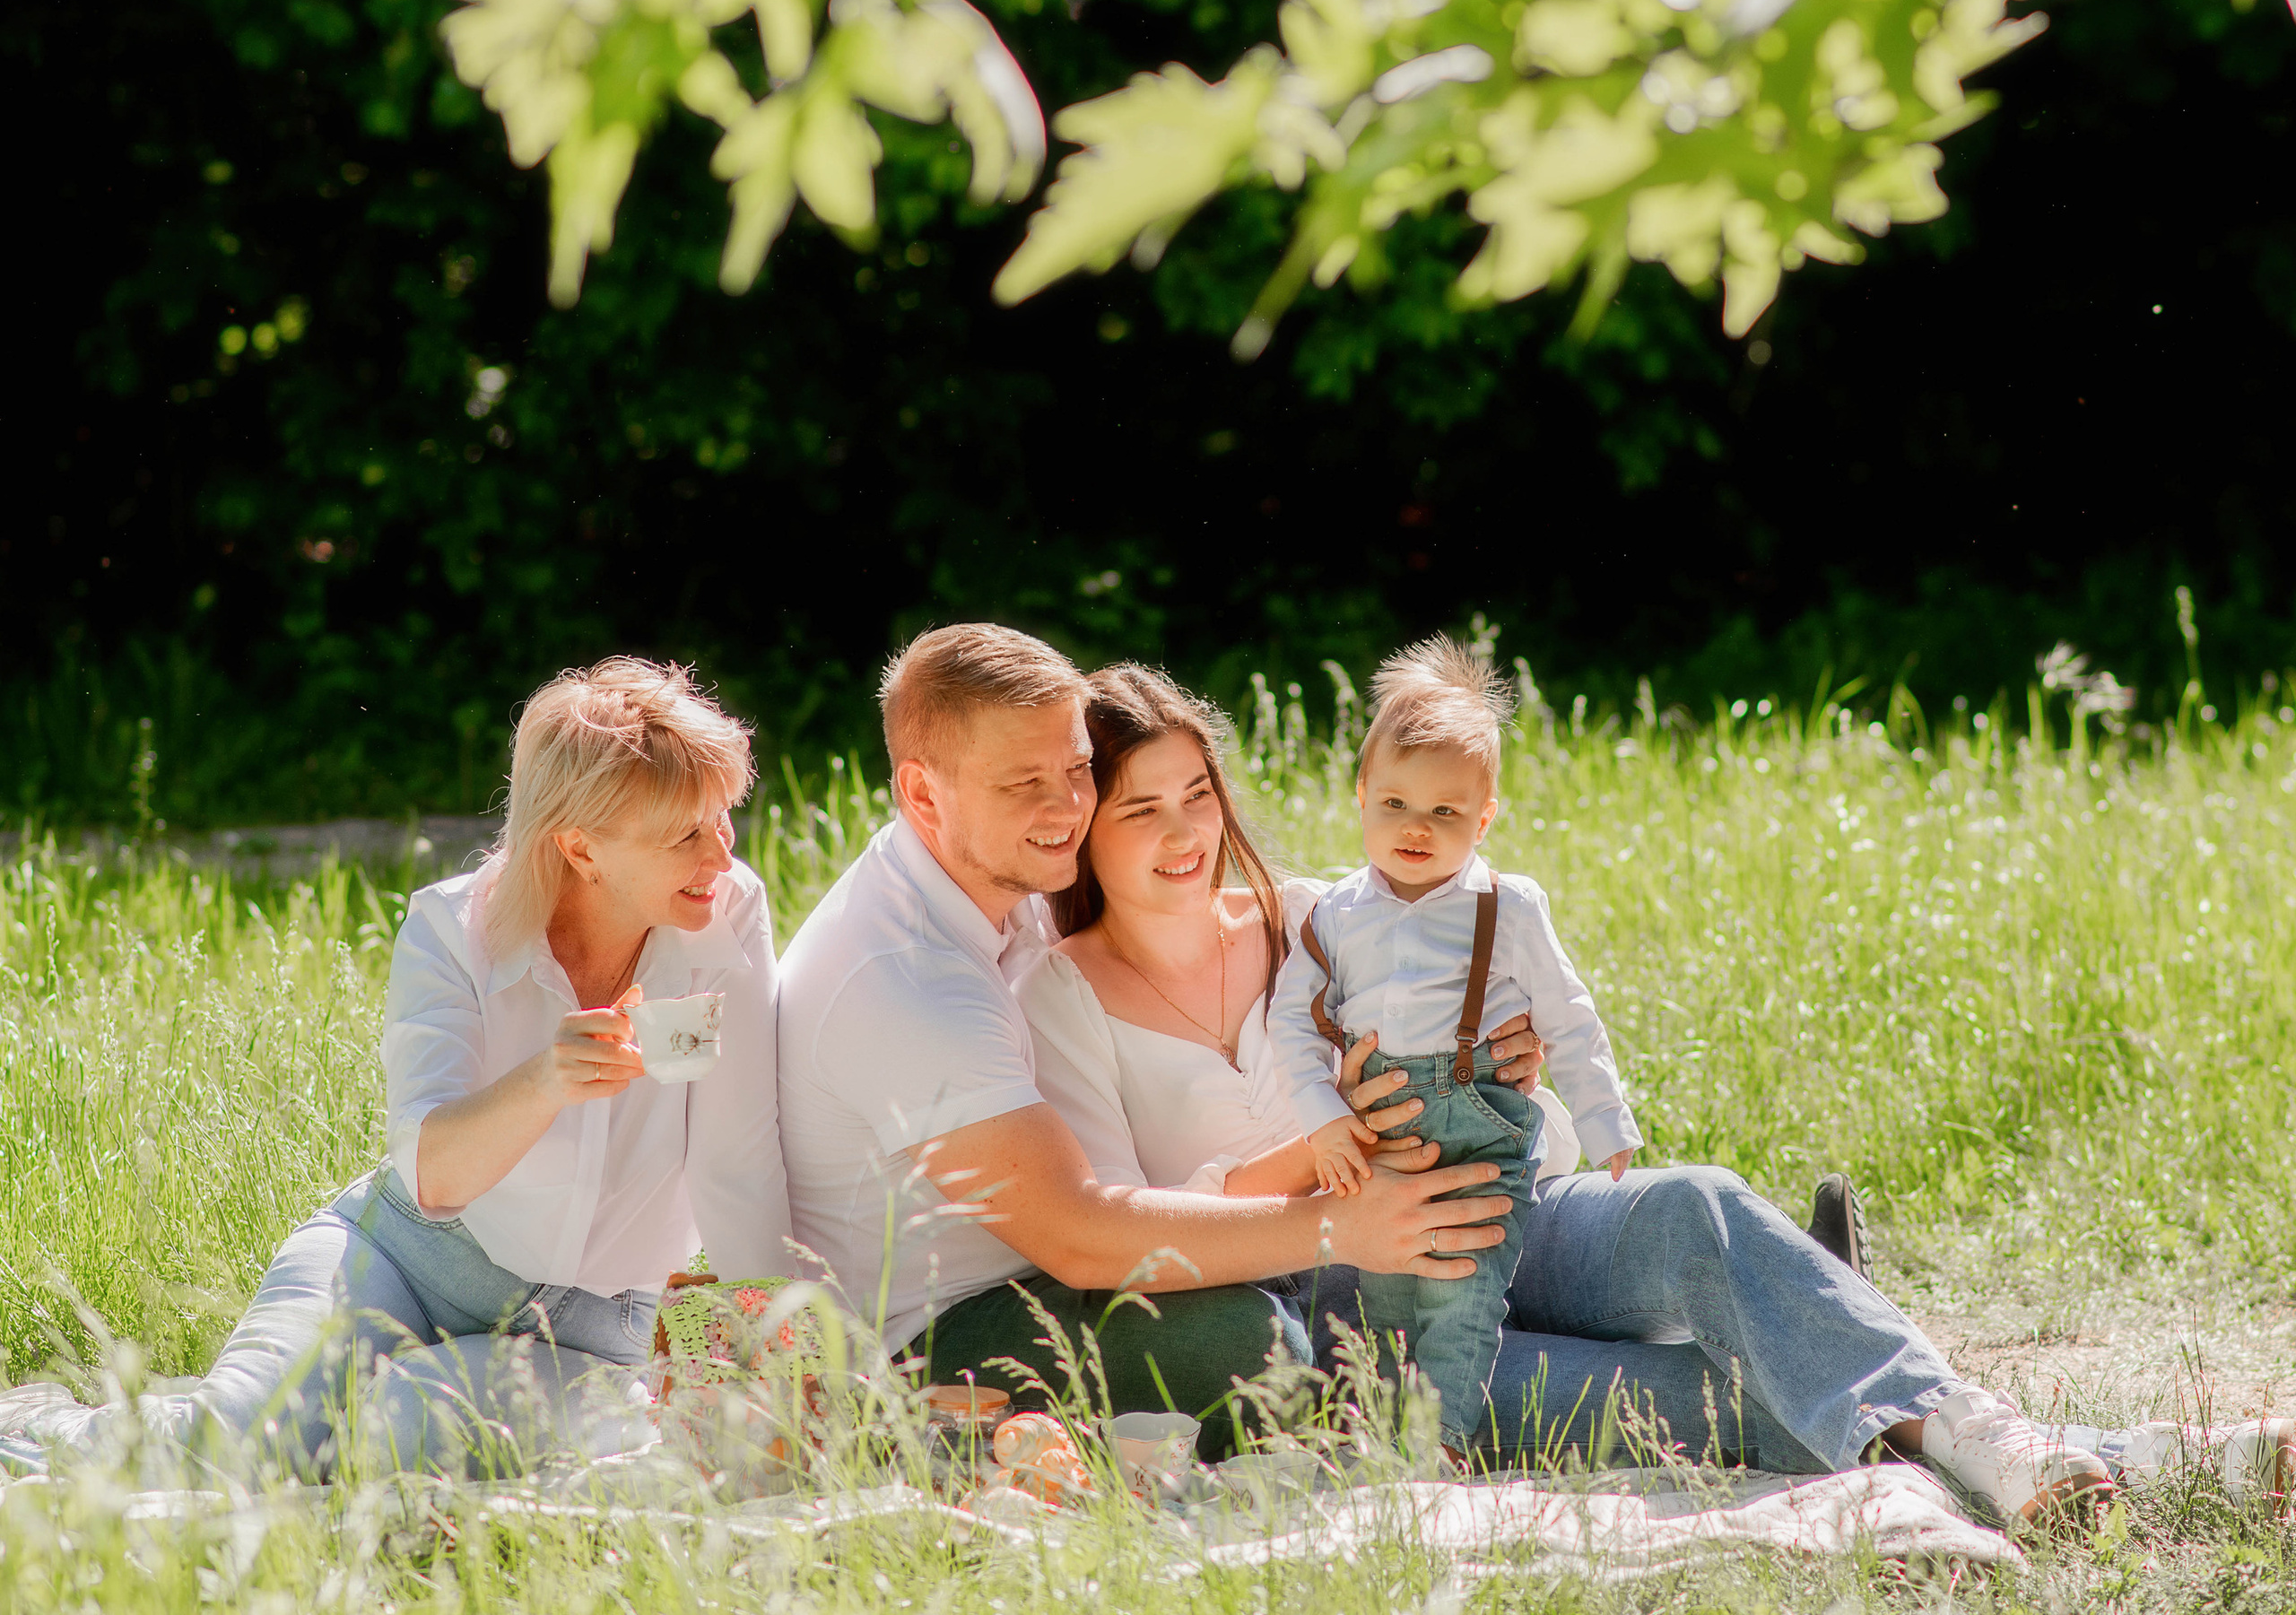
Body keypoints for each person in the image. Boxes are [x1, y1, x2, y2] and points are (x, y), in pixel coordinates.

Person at [1021, 657, 2123, 1530]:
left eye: (1196, 794)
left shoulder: (1318, 913)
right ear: (1082, 829)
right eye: (1138, 810)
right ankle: (1826, 1318)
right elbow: (1124, 1231)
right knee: (1691, 1400)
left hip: (1507, 1200)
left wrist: (1508, 1059)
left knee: (1697, 1202)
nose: (1182, 833)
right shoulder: (1059, 998)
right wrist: (1327, 1175)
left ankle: (1977, 1425)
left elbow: (1493, 1013)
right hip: (1352, 1302)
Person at [1, 658, 789, 1482]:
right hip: (408, 1259)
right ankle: (33, 1427)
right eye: (685, 835)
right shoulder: (454, 930)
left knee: (398, 1444)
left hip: (596, 1325)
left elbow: (737, 1157)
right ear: (580, 847)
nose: (720, 852)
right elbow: (432, 1176)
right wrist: (545, 1082)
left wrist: (782, 1347)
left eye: (721, 818)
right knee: (232, 1440)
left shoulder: (726, 918)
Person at [773, 623, 1524, 1460]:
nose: (1066, 808)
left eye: (1074, 770)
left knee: (1372, 1289)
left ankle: (1438, 1378)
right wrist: (1338, 1226)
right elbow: (1079, 1233)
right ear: (923, 794)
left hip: (1068, 1279)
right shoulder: (902, 976)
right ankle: (1403, 1405)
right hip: (940, 1338)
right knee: (1248, 1344)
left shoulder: (998, 885)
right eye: (1026, 782)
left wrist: (1484, 1043)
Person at [1264, 635, 1636, 1455]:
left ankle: (1441, 1449)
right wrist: (1323, 1116)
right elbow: (1291, 1022)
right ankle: (1381, 1442)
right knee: (1387, 1299)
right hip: (1383, 1137)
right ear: (1360, 794)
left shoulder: (1506, 906)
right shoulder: (1334, 916)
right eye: (1394, 804)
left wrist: (1604, 1117)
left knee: (1463, 1299)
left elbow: (1568, 1015)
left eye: (1446, 812)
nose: (1417, 829)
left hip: (1481, 1124)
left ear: (1485, 816)